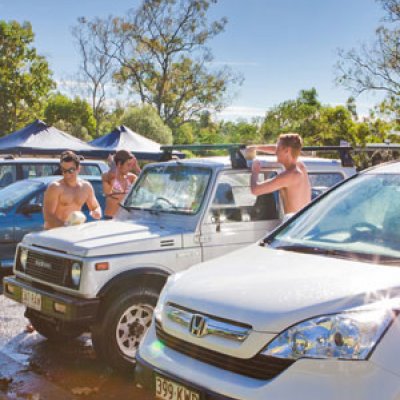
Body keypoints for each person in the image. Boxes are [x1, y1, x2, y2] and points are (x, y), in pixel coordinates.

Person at [247, 133, 311, 217]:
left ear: (287, 151)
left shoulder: (289, 175)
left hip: (295, 224)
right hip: (304, 222)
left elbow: (255, 190)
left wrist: (255, 171)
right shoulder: (301, 167)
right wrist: (256, 148)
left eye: (278, 149)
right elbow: (282, 148)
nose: (275, 152)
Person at [43, 150, 102, 229]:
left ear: (78, 169)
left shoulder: (86, 187)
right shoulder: (55, 187)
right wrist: (65, 227)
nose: (67, 174)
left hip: (74, 232)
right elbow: (48, 216)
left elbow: (95, 206)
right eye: (64, 171)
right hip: (55, 233)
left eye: (71, 170)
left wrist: (97, 212)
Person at [102, 149, 141, 219]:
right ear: (119, 164)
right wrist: (113, 163)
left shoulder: (131, 178)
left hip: (127, 219)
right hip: (110, 219)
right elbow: (112, 175)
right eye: (128, 165)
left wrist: (137, 169)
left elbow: (148, 186)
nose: (130, 168)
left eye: (131, 165)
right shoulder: (106, 176)